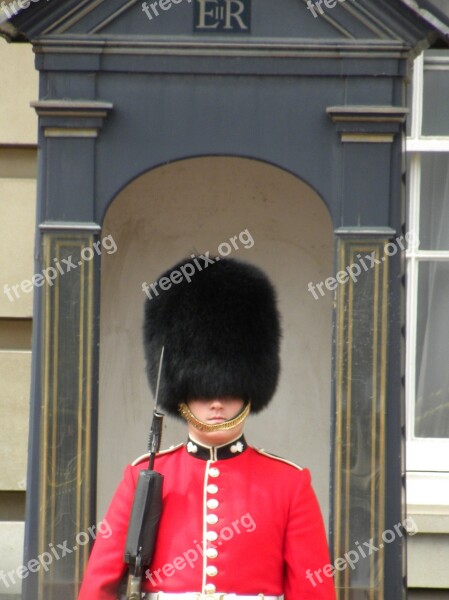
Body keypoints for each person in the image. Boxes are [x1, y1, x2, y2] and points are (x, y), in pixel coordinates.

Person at [78, 256, 336, 600]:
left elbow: (313, 592)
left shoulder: (290, 485)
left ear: (249, 388)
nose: (216, 404)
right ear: (181, 393)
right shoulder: (144, 475)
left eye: (228, 390)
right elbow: (98, 588)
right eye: (202, 391)